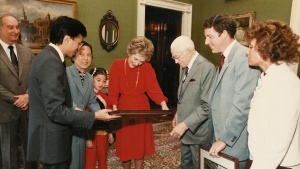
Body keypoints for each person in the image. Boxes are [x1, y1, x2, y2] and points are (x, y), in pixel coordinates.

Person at [27, 16, 119, 168]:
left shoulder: (47, 56)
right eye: (78, 43)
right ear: (67, 39)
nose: (78, 48)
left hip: (50, 138)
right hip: (53, 142)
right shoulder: (51, 61)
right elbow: (56, 110)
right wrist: (94, 115)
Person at [203, 14, 260, 169]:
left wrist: (224, 139)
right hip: (220, 140)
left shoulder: (244, 58)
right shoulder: (225, 58)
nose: (206, 42)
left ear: (225, 34)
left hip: (232, 143)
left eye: (210, 37)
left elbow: (243, 105)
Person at [244, 20, 300, 169]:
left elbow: (279, 139)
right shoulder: (268, 76)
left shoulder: (287, 82)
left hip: (278, 164)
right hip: (262, 160)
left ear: (266, 50)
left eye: (250, 47)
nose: (246, 52)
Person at [108, 36, 169, 169]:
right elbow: (113, 89)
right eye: (135, 59)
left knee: (139, 144)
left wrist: (163, 104)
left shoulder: (146, 67)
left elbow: (154, 88)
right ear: (130, 52)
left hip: (142, 108)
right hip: (124, 108)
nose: (137, 64)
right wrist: (114, 107)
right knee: (125, 144)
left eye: (141, 61)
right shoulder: (117, 64)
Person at [169, 36, 216, 169]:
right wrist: (178, 114)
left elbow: (206, 106)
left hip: (199, 133)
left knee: (200, 166)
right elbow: (185, 95)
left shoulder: (207, 68)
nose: (176, 62)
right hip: (186, 133)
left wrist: (185, 124)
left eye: (177, 57)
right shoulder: (186, 66)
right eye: (174, 58)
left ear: (188, 51)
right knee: (186, 165)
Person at [0, 13, 37, 169]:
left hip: (28, 113)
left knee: (31, 155)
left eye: (17, 27)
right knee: (8, 158)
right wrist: (16, 99)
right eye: (10, 27)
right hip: (4, 114)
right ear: (0, 29)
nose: (15, 30)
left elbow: (35, 79)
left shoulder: (27, 53)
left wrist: (28, 96)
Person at [66, 41, 101, 169]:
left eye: (89, 54)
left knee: (80, 162)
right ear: (74, 56)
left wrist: (102, 114)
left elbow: (91, 100)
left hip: (81, 127)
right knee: (70, 162)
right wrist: (79, 111)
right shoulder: (66, 73)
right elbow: (64, 98)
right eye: (81, 54)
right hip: (67, 126)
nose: (86, 58)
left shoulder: (89, 78)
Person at [85, 67, 114, 169]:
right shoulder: (86, 96)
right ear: (91, 79)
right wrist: (87, 137)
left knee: (103, 159)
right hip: (90, 134)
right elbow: (84, 118)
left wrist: (110, 132)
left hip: (103, 133)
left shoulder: (105, 97)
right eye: (98, 80)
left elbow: (109, 117)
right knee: (90, 161)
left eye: (104, 81)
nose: (101, 83)